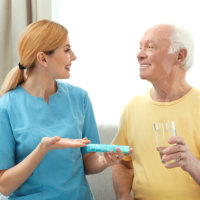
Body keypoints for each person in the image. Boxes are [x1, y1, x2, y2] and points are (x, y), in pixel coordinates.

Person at [0, 19, 127, 200]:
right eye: (66, 50)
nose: (73, 56)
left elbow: (87, 160)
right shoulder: (6, 106)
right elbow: (4, 186)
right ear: (43, 58)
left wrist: (104, 161)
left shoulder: (79, 98)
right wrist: (42, 149)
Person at [112, 24, 200, 200]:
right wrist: (122, 196)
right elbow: (122, 163)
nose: (139, 54)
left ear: (180, 56)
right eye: (140, 47)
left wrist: (192, 164)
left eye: (150, 47)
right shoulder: (132, 107)